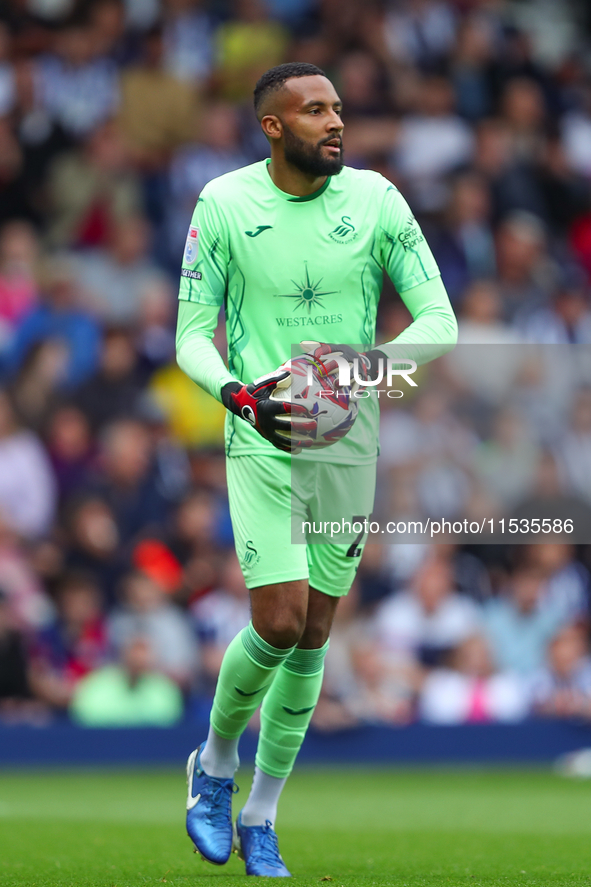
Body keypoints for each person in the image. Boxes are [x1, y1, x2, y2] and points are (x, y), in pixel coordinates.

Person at [175, 62, 457, 877]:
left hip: (346, 440)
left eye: (337, 108)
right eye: (314, 110)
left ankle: (262, 812)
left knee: (316, 635)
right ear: (273, 126)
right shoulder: (223, 204)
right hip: (262, 431)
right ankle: (215, 764)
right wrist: (235, 395)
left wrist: (357, 374)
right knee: (278, 620)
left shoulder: (376, 201)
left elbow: (437, 322)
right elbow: (192, 332)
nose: (336, 122)